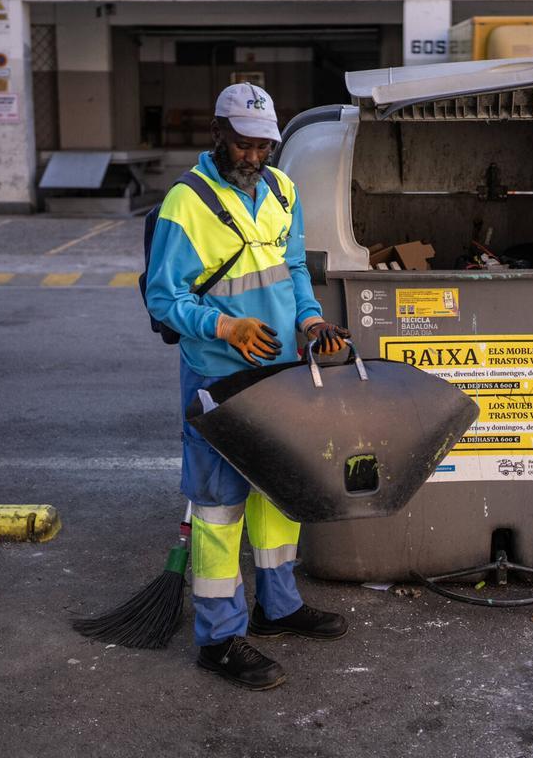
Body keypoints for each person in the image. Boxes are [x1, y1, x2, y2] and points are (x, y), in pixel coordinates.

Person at [145, 83, 351, 691]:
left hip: (282, 367)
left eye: (264, 147)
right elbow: (164, 297)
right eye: (244, 145)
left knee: (277, 490)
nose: (254, 158)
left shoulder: (283, 189)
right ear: (217, 134)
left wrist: (310, 321)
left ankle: (278, 607)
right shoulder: (186, 203)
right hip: (218, 374)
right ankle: (219, 638)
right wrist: (224, 325)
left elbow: (292, 270)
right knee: (218, 506)